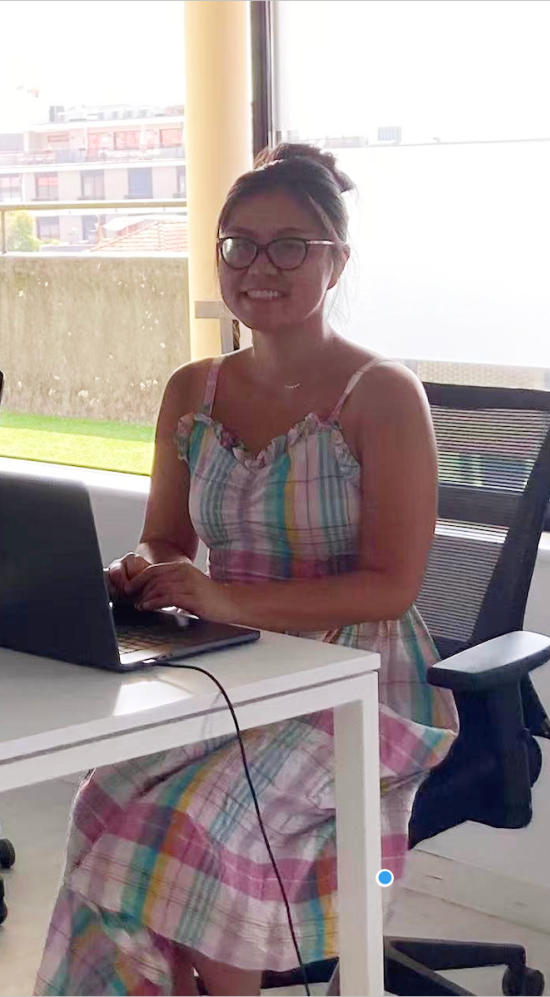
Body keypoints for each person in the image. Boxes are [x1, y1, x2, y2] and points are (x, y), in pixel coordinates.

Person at [35, 143, 457, 997]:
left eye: (291, 245)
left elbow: (394, 585)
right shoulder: (194, 390)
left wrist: (226, 594)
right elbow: (165, 538)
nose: (260, 266)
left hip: (360, 678)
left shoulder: (381, 395)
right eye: (240, 243)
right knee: (103, 805)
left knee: (199, 825)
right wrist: (144, 569)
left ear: (337, 260)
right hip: (233, 660)